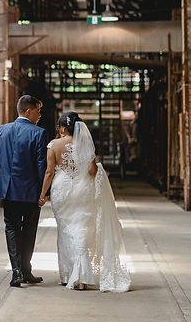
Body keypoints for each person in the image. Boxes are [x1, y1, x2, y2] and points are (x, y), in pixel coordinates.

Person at [38, 112, 131, 292]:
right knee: (81, 228)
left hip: (62, 191)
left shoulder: (53, 145)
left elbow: (49, 172)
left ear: (63, 127)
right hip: (83, 190)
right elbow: (92, 170)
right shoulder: (84, 144)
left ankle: (68, 274)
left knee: (65, 231)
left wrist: (43, 194)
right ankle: (81, 275)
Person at [0, 95, 48, 288]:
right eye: (38, 111)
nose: (40, 115)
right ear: (28, 111)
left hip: (7, 190)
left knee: (11, 228)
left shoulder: (0, 130)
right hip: (30, 192)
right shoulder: (39, 133)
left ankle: (17, 272)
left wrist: (7, 169)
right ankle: (26, 271)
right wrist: (44, 193)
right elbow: (42, 166)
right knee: (29, 231)